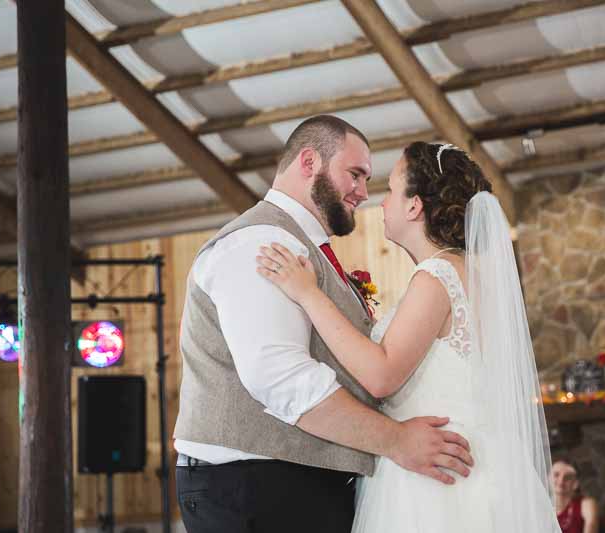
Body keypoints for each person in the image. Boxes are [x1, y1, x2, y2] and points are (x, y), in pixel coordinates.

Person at [173, 117, 474, 533]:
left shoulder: (303, 248)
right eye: (356, 174)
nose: (364, 193)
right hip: (255, 485)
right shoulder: (260, 243)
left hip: (291, 484)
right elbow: (280, 377)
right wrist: (395, 439)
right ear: (309, 162)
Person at [257, 141, 561, 532]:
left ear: (415, 205)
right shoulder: (471, 273)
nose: (381, 202)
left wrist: (307, 293)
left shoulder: (437, 276)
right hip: (477, 463)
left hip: (436, 476)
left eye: (391, 190)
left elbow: (382, 375)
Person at [552, 458, 599, 533]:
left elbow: (591, 526)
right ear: (548, 477)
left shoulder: (586, 504)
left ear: (576, 483)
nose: (561, 481)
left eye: (568, 477)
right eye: (556, 475)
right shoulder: (539, 506)